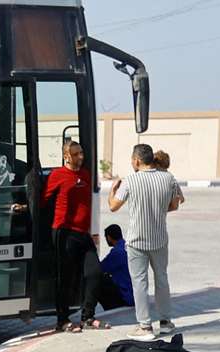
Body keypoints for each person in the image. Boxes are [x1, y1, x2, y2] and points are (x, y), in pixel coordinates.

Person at [108, 144, 183, 341]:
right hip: (159, 238)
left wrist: (112, 190)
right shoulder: (169, 178)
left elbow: (113, 206)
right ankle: (166, 322)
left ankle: (145, 326)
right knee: (162, 278)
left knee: (139, 283)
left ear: (137, 160)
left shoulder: (130, 181)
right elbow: (174, 205)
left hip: (136, 241)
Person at [44, 141, 108, 333]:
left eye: (81, 153)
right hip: (64, 233)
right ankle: (62, 320)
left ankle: (88, 317)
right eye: (75, 154)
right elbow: (43, 200)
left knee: (95, 273)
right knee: (66, 279)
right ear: (66, 156)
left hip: (83, 234)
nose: (80, 157)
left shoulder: (86, 174)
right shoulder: (57, 175)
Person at [98, 224, 135, 311]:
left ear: (109, 237)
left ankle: (111, 307)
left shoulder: (116, 253)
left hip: (126, 297)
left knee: (97, 280)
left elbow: (100, 268)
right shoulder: (128, 247)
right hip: (135, 294)